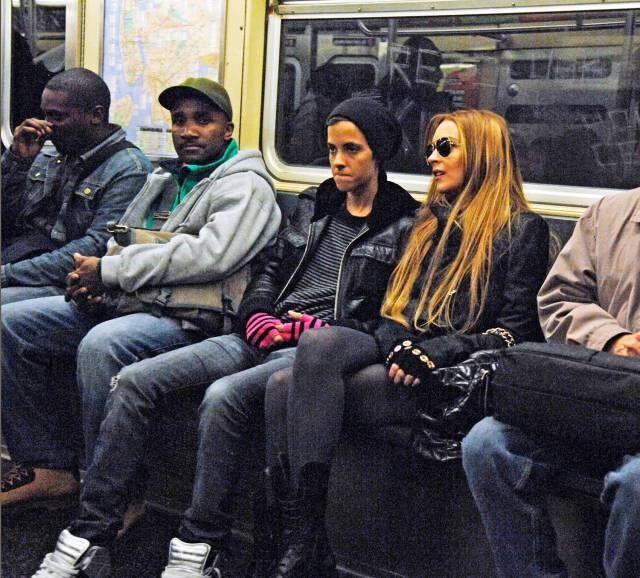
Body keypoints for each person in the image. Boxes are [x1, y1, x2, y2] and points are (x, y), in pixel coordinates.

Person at [29, 96, 419, 578]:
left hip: (312, 350)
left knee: (222, 397)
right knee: (132, 381)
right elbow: (270, 269)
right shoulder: (315, 205)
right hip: (258, 333)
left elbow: (395, 315)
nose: (338, 161)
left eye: (352, 150)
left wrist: (317, 330)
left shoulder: (407, 225)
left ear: (379, 154)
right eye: (332, 149)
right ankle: (91, 532)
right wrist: (257, 314)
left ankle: (199, 542)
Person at [263, 109, 550, 577]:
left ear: (482, 155)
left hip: (455, 374)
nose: (432, 158)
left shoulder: (521, 230)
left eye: (446, 148)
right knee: (313, 349)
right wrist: (399, 341)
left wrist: (436, 351)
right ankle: (301, 538)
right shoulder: (425, 221)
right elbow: (391, 307)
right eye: (431, 148)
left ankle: (304, 546)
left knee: (283, 388)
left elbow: (515, 331)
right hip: (404, 353)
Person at [1, 77, 281, 511]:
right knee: (13, 323)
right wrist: (96, 283)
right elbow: (122, 238)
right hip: (137, 299)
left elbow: (209, 257)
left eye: (203, 121)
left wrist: (110, 273)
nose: (188, 131)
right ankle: (47, 465)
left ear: (228, 129)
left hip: (194, 316)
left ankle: (113, 492)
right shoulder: (165, 177)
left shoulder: (245, 186)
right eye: (179, 121)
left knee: (104, 344)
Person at [462, 187, 640, 578]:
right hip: (598, 396)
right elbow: (559, 299)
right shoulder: (608, 215)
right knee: (487, 443)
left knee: (636, 483)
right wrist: (611, 339)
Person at [1, 67, 153, 304]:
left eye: (57, 117)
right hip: (25, 257)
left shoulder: (130, 169)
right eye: (45, 115)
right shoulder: (48, 153)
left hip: (68, 280)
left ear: (96, 115)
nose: (47, 127)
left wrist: (8, 274)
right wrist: (17, 160)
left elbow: (95, 247)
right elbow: (8, 219)